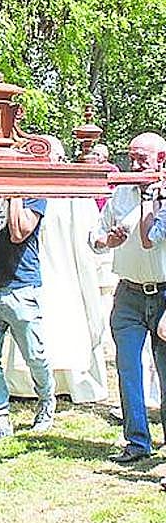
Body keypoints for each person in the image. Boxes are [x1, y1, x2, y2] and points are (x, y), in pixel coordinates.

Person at [4, 137, 107, 404]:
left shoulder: (74, 190)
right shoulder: (27, 191)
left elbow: (91, 234)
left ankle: (72, 380)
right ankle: (27, 383)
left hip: (69, 270)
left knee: (69, 319)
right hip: (32, 269)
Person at [93, 133, 166, 464]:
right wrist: (107, 240)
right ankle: (137, 441)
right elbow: (95, 237)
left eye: (142, 159)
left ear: (161, 160)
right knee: (128, 369)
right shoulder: (121, 192)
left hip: (164, 294)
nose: (134, 165)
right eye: (131, 158)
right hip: (129, 295)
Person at [0, 194, 56, 441]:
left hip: (21, 289)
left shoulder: (34, 196)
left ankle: (47, 402)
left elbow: (19, 233)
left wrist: (13, 192)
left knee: (34, 356)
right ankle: (0, 418)